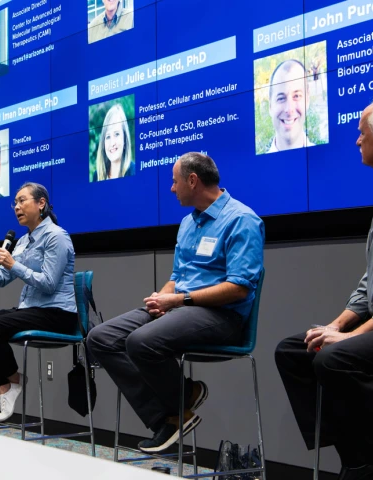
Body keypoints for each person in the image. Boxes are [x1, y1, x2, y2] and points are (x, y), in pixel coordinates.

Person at [275, 94, 373, 480]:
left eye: (361, 133)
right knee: (296, 351)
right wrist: (334, 328)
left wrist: (349, 339)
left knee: (335, 358)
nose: (355, 140)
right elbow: (372, 281)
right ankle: (360, 461)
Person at [87, 152, 264, 453]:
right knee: (100, 338)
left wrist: (178, 300)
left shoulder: (241, 220)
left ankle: (179, 404)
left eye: (174, 181)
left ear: (193, 181)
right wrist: (161, 297)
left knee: (141, 341)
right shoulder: (187, 223)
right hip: (181, 307)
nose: (171, 188)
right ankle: (171, 414)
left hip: (223, 317)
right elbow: (178, 276)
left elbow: (239, 288)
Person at [0, 182, 77, 422]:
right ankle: (7, 384)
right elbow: (1, 280)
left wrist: (14, 264)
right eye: (15, 203)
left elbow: (50, 283)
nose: (16, 207)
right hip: (32, 309)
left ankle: (12, 383)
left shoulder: (57, 236)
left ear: (41, 203)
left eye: (22, 201)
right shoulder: (22, 242)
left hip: (57, 313)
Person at [265, 59, 315, 153]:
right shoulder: (257, 167)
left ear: (307, 100)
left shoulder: (328, 159)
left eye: (296, 96)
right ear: (270, 106)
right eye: (281, 98)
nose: (289, 109)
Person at [92, 104, 135, 182]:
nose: (112, 143)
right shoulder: (97, 176)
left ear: (125, 139)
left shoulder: (134, 171)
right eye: (108, 137)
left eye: (116, 134)